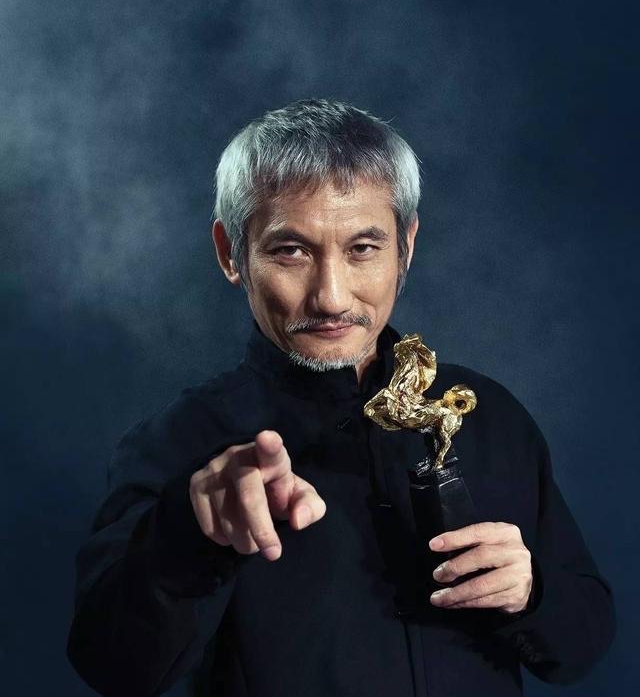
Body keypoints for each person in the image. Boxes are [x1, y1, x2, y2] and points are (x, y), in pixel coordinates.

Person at [67, 99, 615, 697]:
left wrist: (531, 593)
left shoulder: (487, 413)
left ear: (406, 246)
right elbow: (113, 670)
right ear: (231, 253)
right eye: (291, 251)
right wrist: (185, 535)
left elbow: (581, 649)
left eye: (362, 249)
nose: (331, 297)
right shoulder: (176, 443)